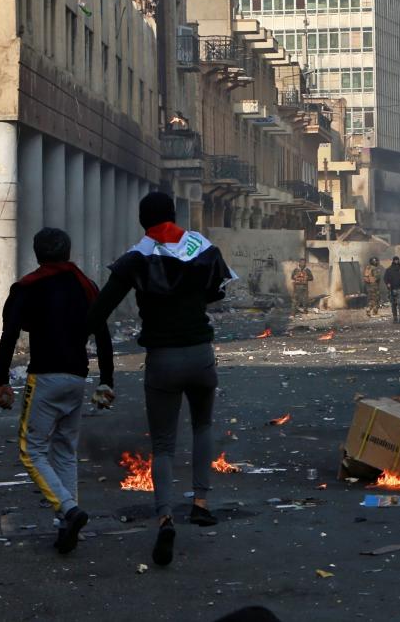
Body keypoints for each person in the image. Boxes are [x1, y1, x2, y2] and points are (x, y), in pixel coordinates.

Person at [88, 192, 236, 566]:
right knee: (203, 427)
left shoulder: (135, 258)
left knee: (164, 444)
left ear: (143, 221)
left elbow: (100, 309)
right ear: (173, 214)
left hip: (162, 360)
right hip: (201, 354)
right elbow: (215, 292)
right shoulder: (201, 247)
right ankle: (201, 504)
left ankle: (166, 517)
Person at [0, 228, 115, 555]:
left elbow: (9, 335)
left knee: (30, 451)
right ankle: (67, 527)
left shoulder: (28, 287)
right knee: (64, 450)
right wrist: (107, 380)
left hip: (45, 379)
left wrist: (1, 379)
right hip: (77, 378)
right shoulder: (86, 286)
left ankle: (69, 510)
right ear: (67, 251)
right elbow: (103, 335)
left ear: (37, 254)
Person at [383, 256, 400, 324]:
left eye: (397, 260)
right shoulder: (389, 270)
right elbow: (385, 278)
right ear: (393, 261)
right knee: (394, 304)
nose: (396, 261)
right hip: (392, 289)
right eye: (395, 260)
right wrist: (387, 283)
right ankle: (395, 317)